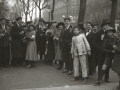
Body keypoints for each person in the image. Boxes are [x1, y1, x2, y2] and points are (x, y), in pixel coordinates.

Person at [93, 20, 111, 84]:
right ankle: (99, 79)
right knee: (100, 65)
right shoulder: (98, 33)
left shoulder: (110, 33)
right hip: (100, 52)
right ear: (102, 26)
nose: (106, 26)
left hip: (107, 52)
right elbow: (94, 42)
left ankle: (106, 78)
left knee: (107, 65)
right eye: (105, 25)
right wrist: (99, 48)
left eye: (107, 25)